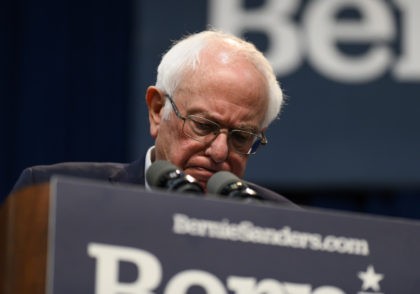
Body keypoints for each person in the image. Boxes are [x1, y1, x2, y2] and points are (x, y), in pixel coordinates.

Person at [10, 30, 296, 207]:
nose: (220, 152)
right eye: (203, 126)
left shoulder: (282, 225)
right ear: (157, 110)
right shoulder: (52, 194)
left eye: (241, 137)